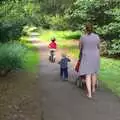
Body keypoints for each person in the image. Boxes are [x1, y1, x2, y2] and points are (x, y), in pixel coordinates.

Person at [79, 23, 100, 98]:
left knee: (88, 75)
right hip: (95, 56)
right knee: (94, 73)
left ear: (85, 28)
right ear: (92, 28)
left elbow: (80, 47)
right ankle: (93, 88)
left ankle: (89, 93)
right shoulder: (97, 36)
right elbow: (98, 46)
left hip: (86, 56)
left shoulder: (82, 37)